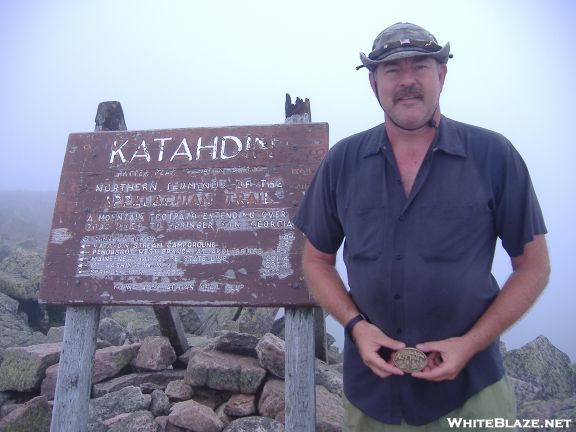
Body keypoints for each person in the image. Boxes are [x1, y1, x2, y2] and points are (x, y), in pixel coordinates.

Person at [293, 22, 550, 431]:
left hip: (472, 395)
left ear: (442, 75)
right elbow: (317, 259)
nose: (407, 81)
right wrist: (356, 328)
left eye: (420, 67)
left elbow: (534, 266)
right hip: (370, 399)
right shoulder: (342, 162)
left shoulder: (493, 155)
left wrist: (469, 344)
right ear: (374, 83)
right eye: (393, 70)